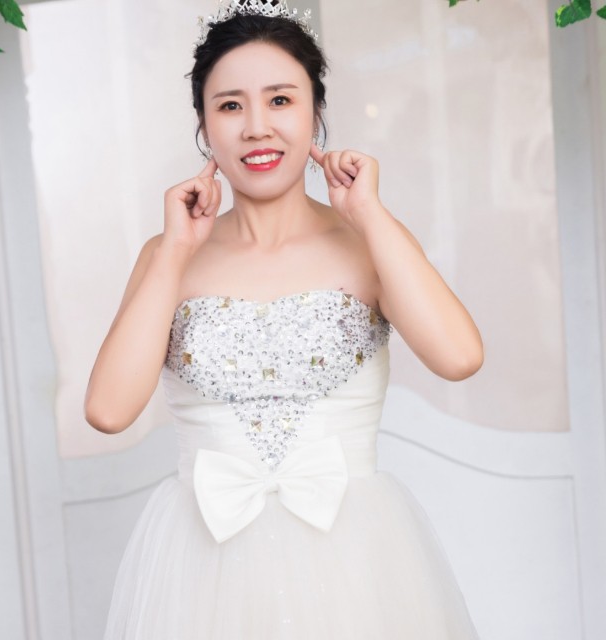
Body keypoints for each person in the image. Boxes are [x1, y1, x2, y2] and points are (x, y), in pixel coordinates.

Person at [85, 1, 484, 637]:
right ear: (204, 125)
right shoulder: (167, 256)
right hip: (202, 570)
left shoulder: (368, 243)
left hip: (356, 563)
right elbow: (108, 411)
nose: (256, 128)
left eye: (279, 100)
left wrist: (369, 213)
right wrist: (175, 253)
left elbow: (459, 358)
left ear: (315, 112)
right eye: (230, 105)